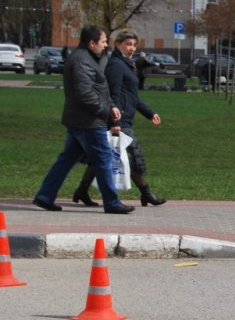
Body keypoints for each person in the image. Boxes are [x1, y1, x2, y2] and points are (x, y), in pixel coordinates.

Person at [33, 25, 134, 215]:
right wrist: (107, 112)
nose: (105, 46)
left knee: (66, 159)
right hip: (88, 121)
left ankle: (45, 196)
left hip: (81, 119)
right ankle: (112, 202)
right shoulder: (81, 61)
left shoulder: (89, 58)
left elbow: (100, 89)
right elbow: (85, 94)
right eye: (103, 42)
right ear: (92, 43)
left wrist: (111, 105)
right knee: (103, 159)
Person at [73, 30, 166, 208]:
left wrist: (149, 113)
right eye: (128, 44)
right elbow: (112, 95)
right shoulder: (116, 65)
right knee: (132, 157)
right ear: (118, 44)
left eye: (134, 45)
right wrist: (114, 122)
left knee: (102, 157)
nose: (132, 48)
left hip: (124, 118)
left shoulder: (126, 63)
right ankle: (146, 194)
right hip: (119, 119)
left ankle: (82, 190)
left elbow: (132, 96)